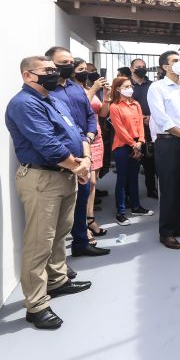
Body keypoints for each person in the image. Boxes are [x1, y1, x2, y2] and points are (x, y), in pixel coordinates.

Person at [5, 56, 93, 329]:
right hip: (43, 179)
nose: (55, 74)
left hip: (66, 174)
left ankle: (56, 281)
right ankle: (36, 305)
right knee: (39, 242)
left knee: (60, 233)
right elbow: (48, 145)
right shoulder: (24, 104)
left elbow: (77, 132)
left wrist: (85, 158)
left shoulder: (53, 99)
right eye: (48, 70)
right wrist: (78, 167)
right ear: (28, 76)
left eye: (55, 70)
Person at [45, 46, 109, 257]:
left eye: (70, 62)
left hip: (84, 150)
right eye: (63, 63)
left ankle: (81, 243)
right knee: (61, 212)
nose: (69, 66)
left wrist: (89, 137)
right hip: (63, 158)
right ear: (50, 65)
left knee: (81, 200)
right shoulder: (48, 93)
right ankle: (58, 259)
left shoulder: (75, 89)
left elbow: (90, 115)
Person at [147, 51, 180, 249]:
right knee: (169, 188)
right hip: (169, 142)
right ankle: (166, 232)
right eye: (175, 61)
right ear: (165, 67)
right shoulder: (157, 88)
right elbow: (161, 118)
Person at [73, 58, 109, 243]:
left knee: (93, 182)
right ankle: (80, 226)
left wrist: (106, 95)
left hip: (97, 137)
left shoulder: (89, 89)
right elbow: (79, 109)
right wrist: (94, 89)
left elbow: (102, 113)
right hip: (82, 139)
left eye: (87, 69)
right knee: (83, 183)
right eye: (82, 69)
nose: (86, 72)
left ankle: (90, 218)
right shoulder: (70, 90)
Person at [109, 76, 154, 226]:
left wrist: (140, 141)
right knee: (122, 179)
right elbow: (119, 129)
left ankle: (136, 207)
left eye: (130, 86)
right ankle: (120, 212)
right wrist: (133, 144)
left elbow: (141, 124)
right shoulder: (115, 106)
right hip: (122, 146)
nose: (130, 89)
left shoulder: (136, 104)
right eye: (126, 86)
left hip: (137, 144)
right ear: (118, 89)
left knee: (134, 177)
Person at [130, 58, 158, 199]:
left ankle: (151, 189)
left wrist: (150, 117)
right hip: (132, 130)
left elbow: (159, 105)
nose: (141, 68)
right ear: (131, 69)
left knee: (151, 161)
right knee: (133, 161)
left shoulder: (152, 85)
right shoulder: (127, 86)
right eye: (137, 66)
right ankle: (130, 195)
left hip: (150, 127)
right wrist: (139, 118)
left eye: (143, 66)